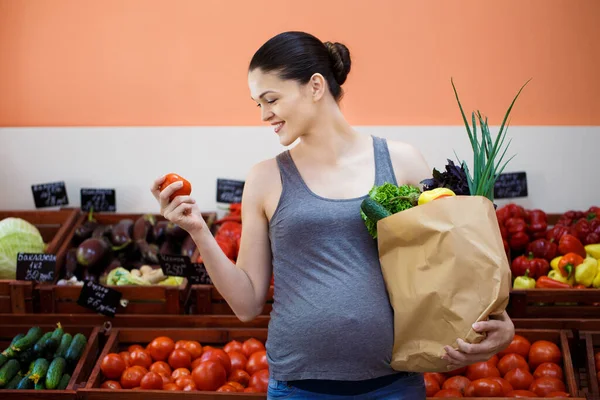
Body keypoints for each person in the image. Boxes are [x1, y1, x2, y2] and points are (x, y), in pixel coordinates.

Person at [151, 31, 515, 399]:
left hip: (394, 384)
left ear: (315, 86)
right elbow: (246, 304)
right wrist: (197, 230)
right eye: (257, 104)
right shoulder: (264, 178)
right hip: (298, 388)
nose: (264, 115)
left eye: (271, 99)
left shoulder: (402, 161)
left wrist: (502, 321)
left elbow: (454, 266)